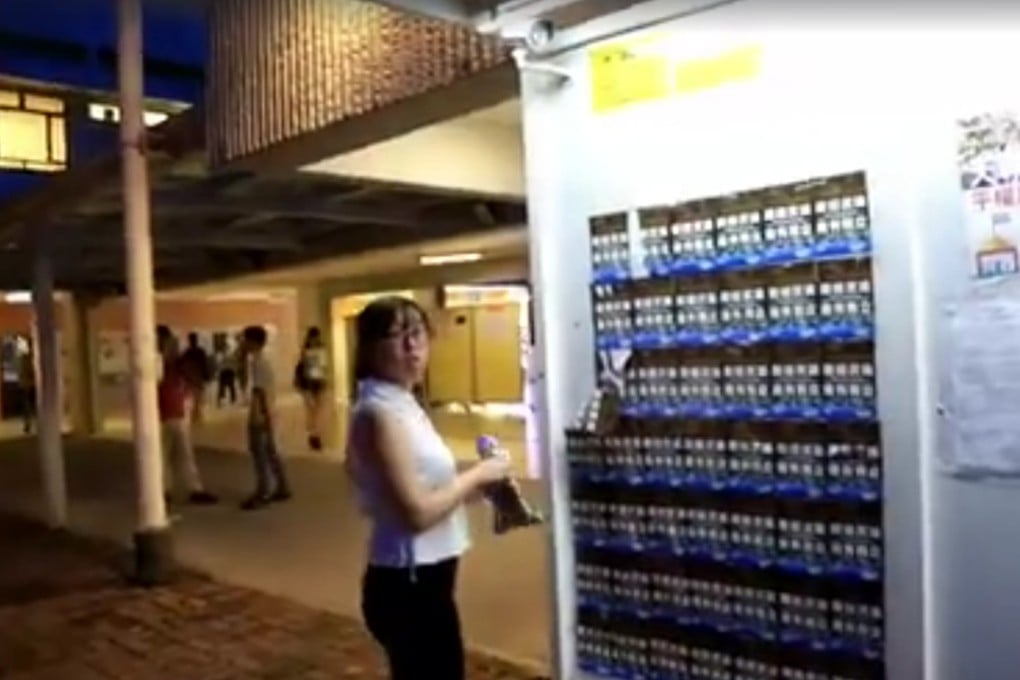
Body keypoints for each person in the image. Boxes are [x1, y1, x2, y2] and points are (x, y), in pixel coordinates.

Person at [345, 297, 511, 680]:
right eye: (398, 336)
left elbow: (412, 489)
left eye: (418, 334)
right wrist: (477, 476)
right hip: (408, 584)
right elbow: (416, 513)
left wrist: (480, 488)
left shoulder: (401, 402)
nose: (412, 347)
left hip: (427, 579)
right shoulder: (380, 412)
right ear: (371, 347)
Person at [157, 326, 218, 506]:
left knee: (179, 452)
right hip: (165, 412)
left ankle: (188, 488)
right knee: (166, 453)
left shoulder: (175, 364)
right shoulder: (159, 363)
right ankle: (167, 489)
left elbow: (192, 380)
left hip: (176, 410)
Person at [240, 324, 291, 510]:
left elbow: (260, 392)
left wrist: (263, 416)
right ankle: (282, 486)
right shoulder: (261, 361)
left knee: (260, 454)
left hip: (260, 414)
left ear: (252, 341)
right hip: (267, 411)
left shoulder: (258, 363)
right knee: (271, 451)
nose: (242, 343)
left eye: (245, 339)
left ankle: (264, 490)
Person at [295, 326, 328, 451]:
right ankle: (313, 435)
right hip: (308, 383)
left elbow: (323, 366)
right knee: (311, 410)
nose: (316, 339)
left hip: (318, 381)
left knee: (318, 411)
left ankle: (316, 435)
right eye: (314, 337)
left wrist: (325, 379)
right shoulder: (306, 351)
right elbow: (303, 367)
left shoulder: (320, 349)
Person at [180, 332, 212, 424]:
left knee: (194, 397)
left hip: (192, 377)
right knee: (197, 396)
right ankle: (197, 416)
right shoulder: (199, 351)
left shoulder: (188, 352)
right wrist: (206, 375)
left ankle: (195, 415)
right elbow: (205, 364)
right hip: (197, 377)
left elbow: (183, 364)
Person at [17, 341, 35, 435]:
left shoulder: (21, 360)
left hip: (24, 385)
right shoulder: (27, 359)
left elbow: (22, 373)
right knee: (29, 405)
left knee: (26, 405)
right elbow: (30, 372)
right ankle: (28, 424)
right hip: (28, 384)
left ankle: (27, 424)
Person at [215, 341, 238, 407]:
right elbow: (234, 363)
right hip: (227, 371)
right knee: (229, 386)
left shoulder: (222, 355)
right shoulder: (228, 354)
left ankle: (222, 400)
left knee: (224, 386)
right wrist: (234, 371)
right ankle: (231, 399)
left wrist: (218, 372)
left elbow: (220, 364)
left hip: (226, 371)